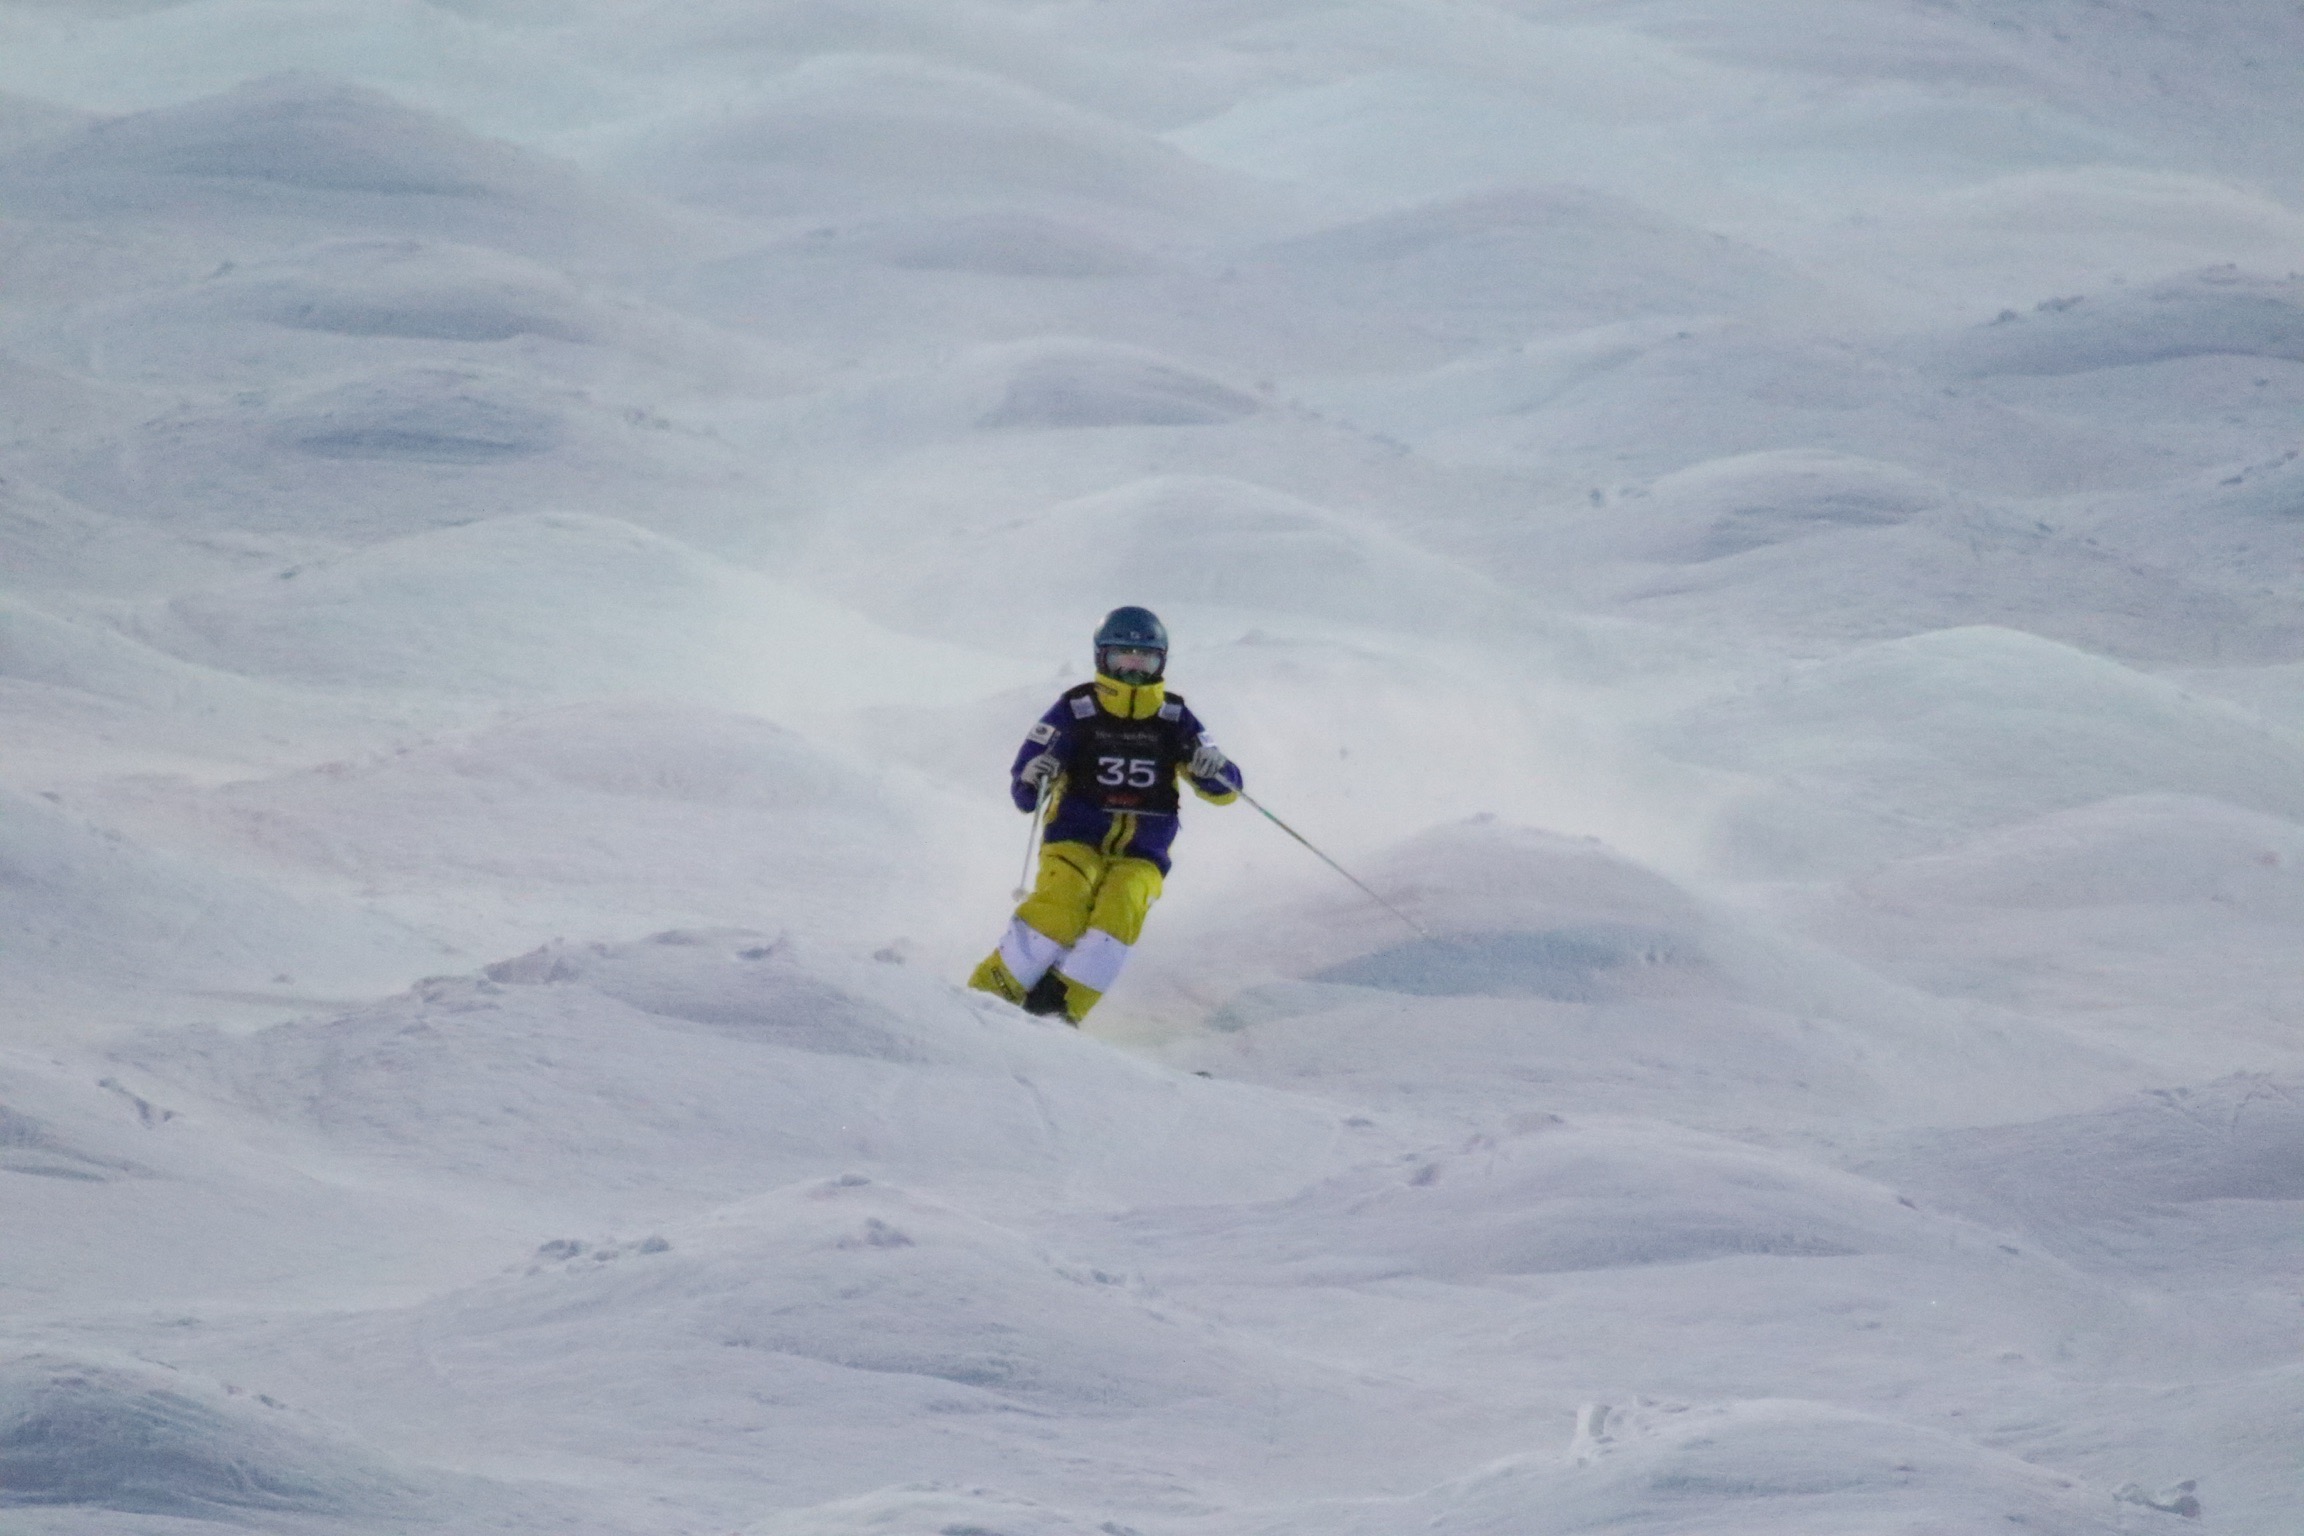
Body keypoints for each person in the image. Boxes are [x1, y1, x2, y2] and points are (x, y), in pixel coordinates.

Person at [968, 606, 1243, 1025]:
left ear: (1161, 661)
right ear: (1102, 658)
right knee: (1062, 906)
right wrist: (1033, 774)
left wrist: (1213, 767)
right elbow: (1026, 791)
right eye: (1123, 657)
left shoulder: (1173, 718)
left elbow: (1227, 791)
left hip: (1143, 851)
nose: (1133, 667)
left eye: (1144, 658)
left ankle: (1058, 1008)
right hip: (1076, 839)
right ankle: (988, 996)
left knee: (1120, 913)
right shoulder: (1078, 710)